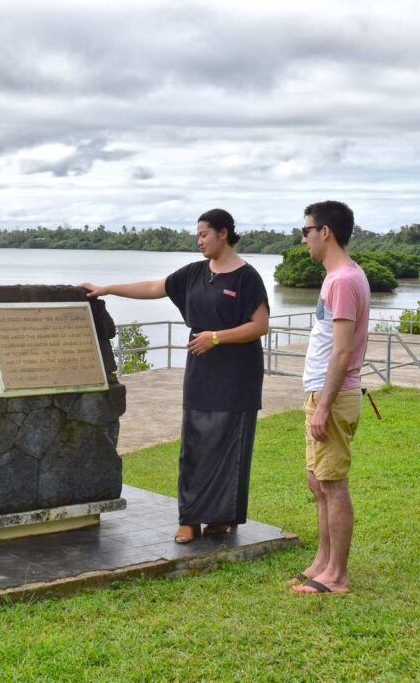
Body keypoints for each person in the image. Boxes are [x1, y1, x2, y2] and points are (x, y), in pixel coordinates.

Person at [82, 209, 269, 544]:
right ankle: (190, 519)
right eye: (197, 236)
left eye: (204, 235)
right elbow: (155, 287)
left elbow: (260, 325)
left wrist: (216, 337)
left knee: (230, 445)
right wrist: (107, 288)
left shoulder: (247, 277)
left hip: (238, 373)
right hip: (202, 369)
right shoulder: (195, 273)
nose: (199, 241)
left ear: (223, 233)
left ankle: (221, 517)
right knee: (195, 443)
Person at [291, 201, 370, 595]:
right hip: (322, 393)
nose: (303, 239)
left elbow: (342, 351)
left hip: (332, 396)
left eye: (306, 231)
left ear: (325, 232)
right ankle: (323, 562)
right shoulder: (338, 277)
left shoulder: (342, 280)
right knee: (317, 481)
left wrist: (323, 405)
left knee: (333, 484)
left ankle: (337, 575)